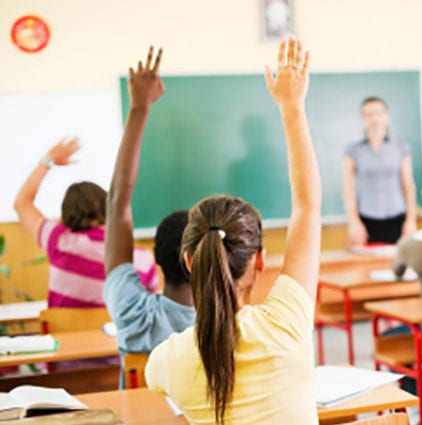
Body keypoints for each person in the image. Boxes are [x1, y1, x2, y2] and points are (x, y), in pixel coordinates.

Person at [146, 37, 321, 425]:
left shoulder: (170, 359)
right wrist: (292, 108)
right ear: (260, 260)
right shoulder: (286, 325)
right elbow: (307, 207)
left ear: (189, 261)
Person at [103, 46, 195, 383]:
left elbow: (117, 203)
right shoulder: (225, 324)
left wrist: (139, 108)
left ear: (155, 257)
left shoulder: (133, 313)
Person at [13, 138, 158, 307]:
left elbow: (21, 203)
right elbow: (150, 307)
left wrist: (47, 161)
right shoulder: (141, 259)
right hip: (115, 333)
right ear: (109, 208)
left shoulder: (58, 240)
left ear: (66, 214)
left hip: (62, 333)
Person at [343, 96, 417, 245]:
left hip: (398, 218)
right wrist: (354, 222)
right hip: (367, 220)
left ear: (387, 116)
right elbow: (348, 190)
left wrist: (411, 220)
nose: (374, 119)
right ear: (363, 119)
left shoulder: (401, 147)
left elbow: (408, 185)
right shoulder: (353, 150)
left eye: (378, 113)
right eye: (368, 115)